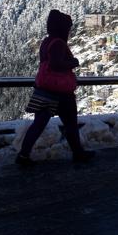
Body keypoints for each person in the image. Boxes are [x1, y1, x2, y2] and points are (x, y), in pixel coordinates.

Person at [16, 9, 95, 166]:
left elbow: (47, 64)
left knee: (38, 124)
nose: (69, 31)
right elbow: (56, 64)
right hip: (61, 92)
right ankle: (78, 153)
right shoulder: (59, 43)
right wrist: (74, 62)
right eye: (67, 28)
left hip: (44, 89)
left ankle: (23, 155)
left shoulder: (46, 42)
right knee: (70, 124)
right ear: (62, 27)